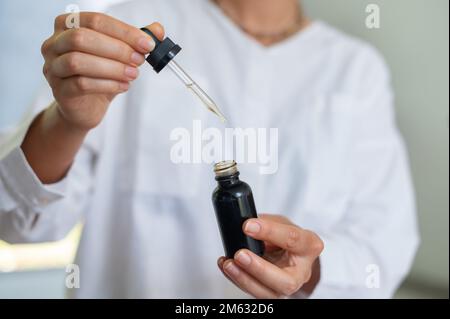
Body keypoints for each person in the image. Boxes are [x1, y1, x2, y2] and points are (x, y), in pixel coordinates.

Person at [0, 0, 419, 298]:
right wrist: (68, 121)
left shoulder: (355, 70)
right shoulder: (125, 32)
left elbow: (384, 244)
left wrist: (309, 271)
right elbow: (18, 223)